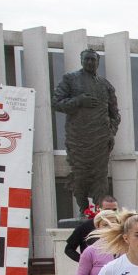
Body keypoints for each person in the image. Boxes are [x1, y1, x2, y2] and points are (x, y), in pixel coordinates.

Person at [50, 48, 120, 215]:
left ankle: (100, 211)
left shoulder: (105, 84)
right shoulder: (70, 79)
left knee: (100, 176)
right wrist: (78, 101)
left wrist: (111, 132)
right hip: (78, 138)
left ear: (98, 62)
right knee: (80, 175)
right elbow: (56, 102)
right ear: (82, 61)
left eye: (93, 60)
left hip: (101, 139)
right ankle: (84, 210)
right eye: (87, 59)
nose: (90, 62)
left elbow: (115, 113)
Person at [65, 195, 118, 263]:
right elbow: (69, 249)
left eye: (114, 210)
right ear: (99, 208)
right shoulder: (84, 226)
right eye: (107, 210)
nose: (111, 212)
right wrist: (85, 261)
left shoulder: (122, 225)